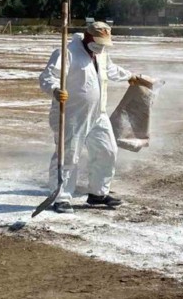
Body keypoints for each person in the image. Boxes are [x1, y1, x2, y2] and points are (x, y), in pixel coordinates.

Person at [39, 21, 141, 214]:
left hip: (98, 113)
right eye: (99, 41)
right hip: (71, 114)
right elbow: (47, 76)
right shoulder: (66, 52)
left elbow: (110, 69)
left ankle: (98, 194)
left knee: (108, 150)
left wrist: (129, 76)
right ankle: (61, 197)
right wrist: (55, 90)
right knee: (68, 155)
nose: (101, 46)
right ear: (87, 36)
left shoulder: (101, 53)